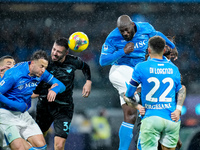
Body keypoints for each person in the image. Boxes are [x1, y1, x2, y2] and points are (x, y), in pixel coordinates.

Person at [99, 14, 176, 150]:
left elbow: (157, 34)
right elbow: (103, 61)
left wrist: (172, 45)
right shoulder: (113, 37)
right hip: (121, 70)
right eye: (121, 31)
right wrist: (122, 51)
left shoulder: (145, 28)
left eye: (126, 30)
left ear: (133, 25)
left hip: (137, 72)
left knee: (130, 115)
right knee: (135, 105)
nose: (124, 33)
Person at [124, 36, 185, 150]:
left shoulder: (142, 67)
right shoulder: (173, 69)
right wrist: (178, 109)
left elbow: (128, 95)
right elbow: (181, 90)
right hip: (171, 118)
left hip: (150, 117)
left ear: (149, 50)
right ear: (164, 50)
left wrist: (136, 105)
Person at [33, 37, 92, 150]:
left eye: (59, 51)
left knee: (59, 146)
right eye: (54, 49)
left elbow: (86, 67)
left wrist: (88, 81)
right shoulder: (45, 62)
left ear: (66, 52)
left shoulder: (74, 61)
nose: (54, 53)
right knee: (38, 141)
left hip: (64, 108)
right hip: (45, 106)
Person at [0, 50, 66, 150]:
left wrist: (55, 90)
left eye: (45, 67)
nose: (43, 70)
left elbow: (61, 85)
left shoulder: (40, 72)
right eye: (41, 66)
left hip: (23, 114)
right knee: (19, 148)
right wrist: (16, 105)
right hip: (6, 114)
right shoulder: (14, 74)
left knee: (41, 146)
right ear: (33, 63)